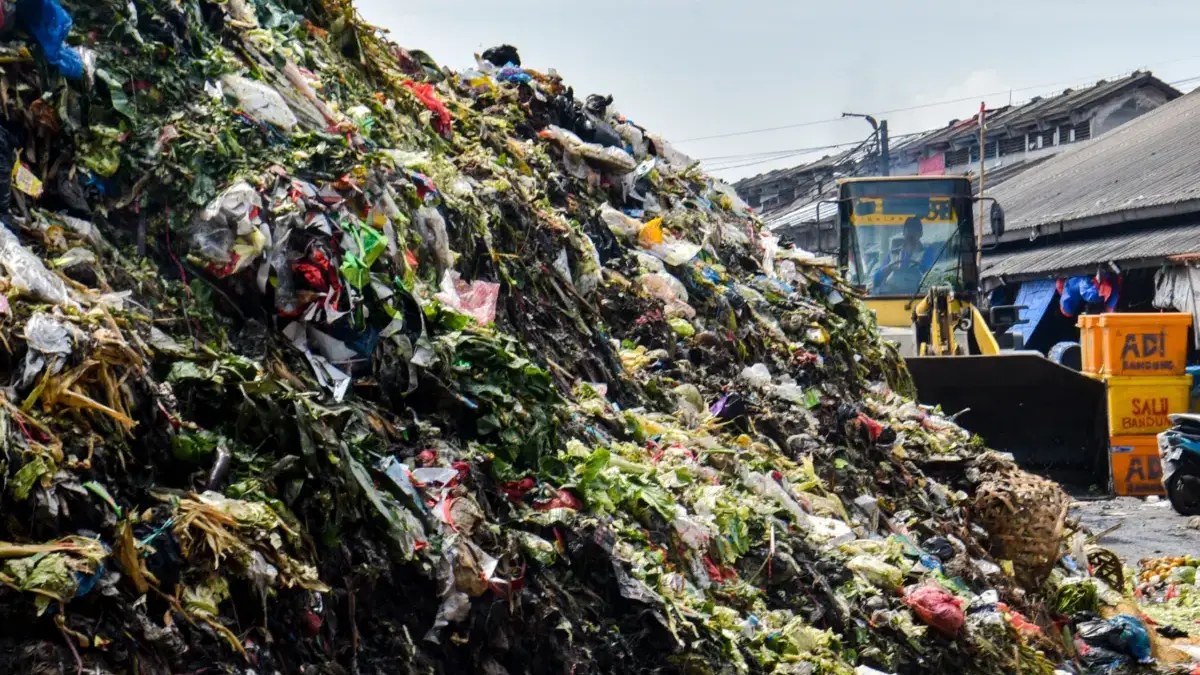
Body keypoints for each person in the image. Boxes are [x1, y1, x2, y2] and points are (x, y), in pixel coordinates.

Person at [872, 216, 939, 291]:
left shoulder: (927, 252)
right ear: (903, 233)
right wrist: (886, 270)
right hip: (892, 294)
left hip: (918, 293)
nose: (911, 235)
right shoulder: (893, 253)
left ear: (921, 234)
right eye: (908, 231)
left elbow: (929, 275)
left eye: (914, 231)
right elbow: (876, 278)